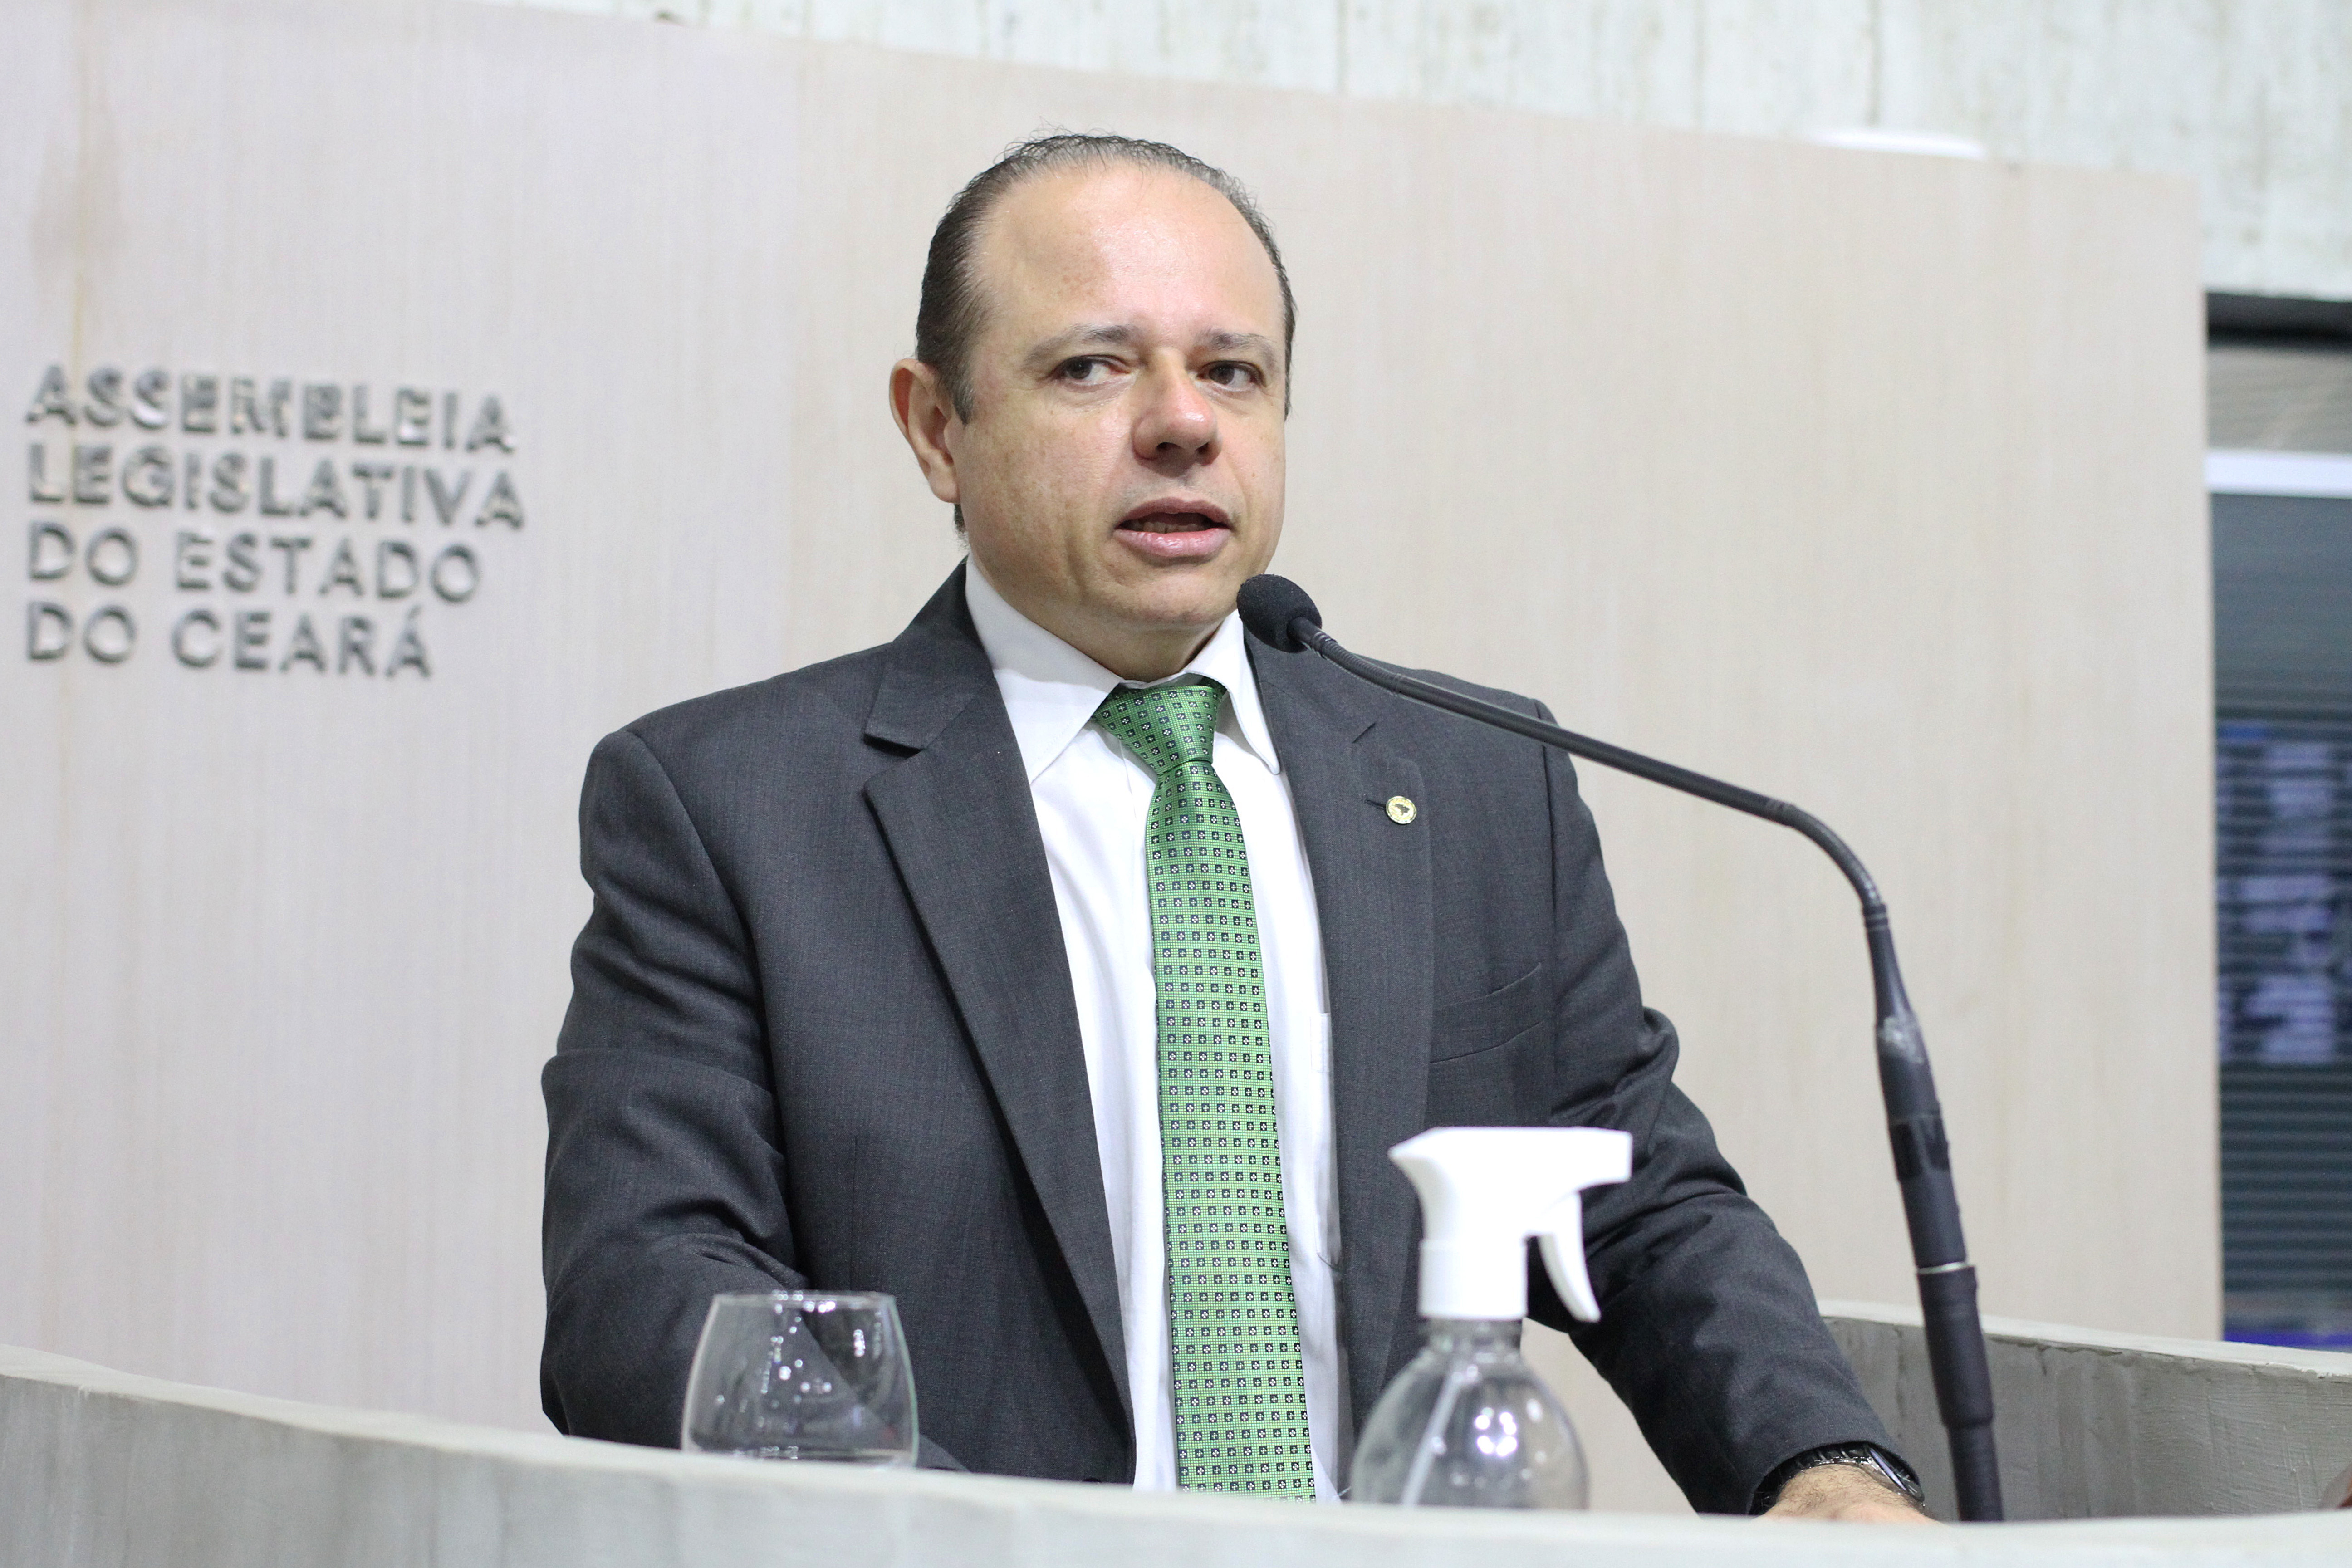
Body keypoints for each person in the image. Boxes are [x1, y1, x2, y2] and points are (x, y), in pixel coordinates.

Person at [541, 132, 1928, 1522]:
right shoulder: (736, 809)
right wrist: (977, 1545)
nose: (1182, 424)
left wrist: (1822, 1466)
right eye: (1093, 367)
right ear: (936, 428)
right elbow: (648, 1292)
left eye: (1231, 372)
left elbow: (1645, 1205)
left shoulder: (1478, 784)